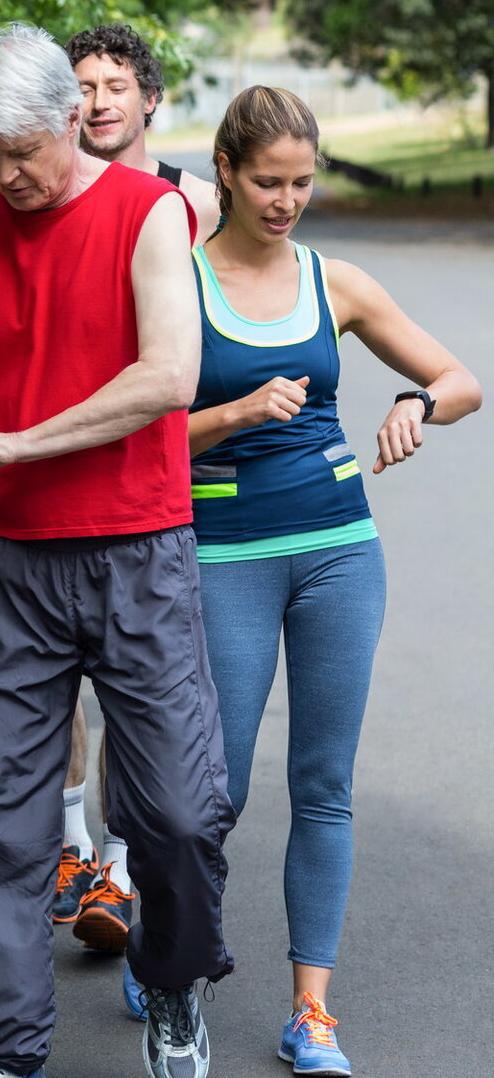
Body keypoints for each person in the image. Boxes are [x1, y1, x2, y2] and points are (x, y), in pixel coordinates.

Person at [0, 23, 234, 1078]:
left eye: (20, 151)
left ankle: (173, 980)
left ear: (72, 118)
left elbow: (168, 377)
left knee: (181, 812)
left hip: (140, 550)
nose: (5, 175)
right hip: (12, 567)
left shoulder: (149, 214)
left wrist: (13, 440)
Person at [187, 86, 479, 1075]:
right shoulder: (175, 286)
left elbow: (460, 379)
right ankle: (169, 949)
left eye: (302, 182)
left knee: (325, 785)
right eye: (268, 181)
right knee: (210, 792)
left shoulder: (334, 281)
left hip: (340, 548)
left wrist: (415, 400)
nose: (286, 200)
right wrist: (233, 414)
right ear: (226, 171)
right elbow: (135, 430)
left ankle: (312, 1012)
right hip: (221, 553)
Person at [50, 24, 219, 952]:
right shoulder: (45, 196)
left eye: (119, 83)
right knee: (61, 686)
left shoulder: (197, 204)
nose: (102, 99)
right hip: (61, 468)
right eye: (85, 84)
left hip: (171, 478)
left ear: (150, 98)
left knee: (138, 692)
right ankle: (75, 849)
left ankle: (117, 866)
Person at [70, 23, 219, 225]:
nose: (100, 104)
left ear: (149, 99)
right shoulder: (51, 201)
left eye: (117, 89)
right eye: (85, 91)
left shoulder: (200, 202)